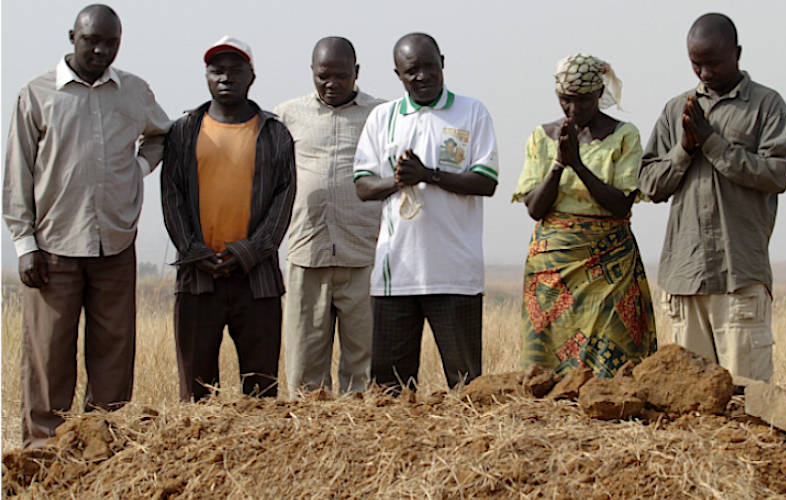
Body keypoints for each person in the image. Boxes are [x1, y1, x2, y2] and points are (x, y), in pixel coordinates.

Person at [2, 4, 170, 448]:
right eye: (90, 40)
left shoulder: (133, 91)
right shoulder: (36, 94)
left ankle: (103, 451)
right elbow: (18, 172)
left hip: (115, 244)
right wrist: (24, 244)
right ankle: (42, 454)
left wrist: (138, 167)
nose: (99, 50)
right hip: (53, 248)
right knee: (48, 358)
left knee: (114, 355)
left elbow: (161, 134)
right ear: (71, 36)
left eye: (110, 43)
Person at [639, 13, 786, 382]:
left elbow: (777, 173)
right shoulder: (676, 110)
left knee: (748, 401)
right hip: (685, 277)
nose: (704, 73)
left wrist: (713, 142)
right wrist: (684, 150)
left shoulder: (767, 106)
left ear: (737, 53)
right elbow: (648, 184)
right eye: (696, 63)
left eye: (714, 62)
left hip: (738, 275)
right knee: (689, 405)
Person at [354, 33, 499, 392]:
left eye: (429, 67)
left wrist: (430, 175)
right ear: (398, 74)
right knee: (391, 389)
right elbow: (362, 185)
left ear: (443, 63)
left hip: (455, 274)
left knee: (466, 386)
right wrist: (399, 181)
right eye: (411, 71)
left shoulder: (472, 111)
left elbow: (486, 182)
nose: (422, 77)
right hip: (395, 277)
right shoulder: (382, 117)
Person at [161, 36, 296, 401]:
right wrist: (195, 251)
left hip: (257, 281)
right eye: (216, 70)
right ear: (206, 75)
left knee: (261, 390)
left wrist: (246, 252)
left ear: (251, 76)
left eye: (235, 71)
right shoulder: (183, 131)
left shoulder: (275, 133)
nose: (225, 78)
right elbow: (171, 197)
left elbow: (283, 202)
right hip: (197, 279)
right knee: (196, 394)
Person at [512, 54, 657, 378]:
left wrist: (579, 164)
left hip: (610, 266)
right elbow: (535, 208)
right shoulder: (541, 137)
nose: (574, 110)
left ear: (598, 94)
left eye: (582, 101)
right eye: (566, 101)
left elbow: (621, 205)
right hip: (552, 267)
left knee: (610, 363)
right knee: (546, 368)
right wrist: (559, 164)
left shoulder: (624, 135)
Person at [274, 37, 383, 398]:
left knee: (363, 368)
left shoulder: (381, 114)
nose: (331, 83)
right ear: (312, 73)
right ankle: (308, 440)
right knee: (304, 368)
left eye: (340, 75)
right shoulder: (287, 115)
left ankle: (361, 439)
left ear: (356, 73)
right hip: (308, 253)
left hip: (364, 254)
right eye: (323, 76)